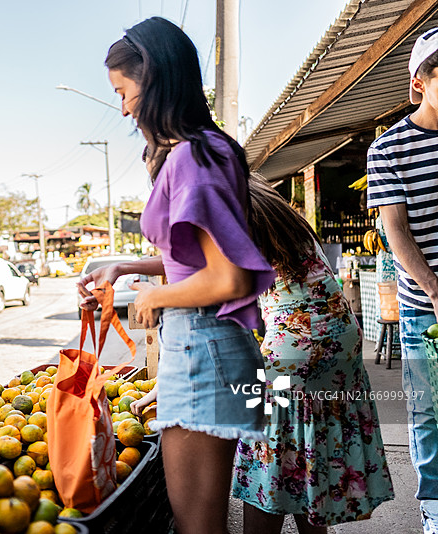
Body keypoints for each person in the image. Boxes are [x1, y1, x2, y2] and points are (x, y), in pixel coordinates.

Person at [80, 17, 276, 533]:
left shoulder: (192, 156)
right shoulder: (208, 149)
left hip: (203, 351)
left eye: (124, 92)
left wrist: (156, 296)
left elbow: (229, 278)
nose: (122, 107)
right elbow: (194, 259)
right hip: (213, 348)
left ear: (157, 79)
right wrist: (124, 265)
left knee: (197, 526)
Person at [230, 174, 394, 533]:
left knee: (270, 459)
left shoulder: (235, 214)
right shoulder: (281, 214)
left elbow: (225, 288)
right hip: (341, 343)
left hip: (296, 346)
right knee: (310, 455)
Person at [367, 28, 438, 534]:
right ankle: (434, 506)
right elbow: (397, 234)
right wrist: (436, 290)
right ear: (420, 82)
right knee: (429, 414)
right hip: (422, 308)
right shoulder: (389, 148)